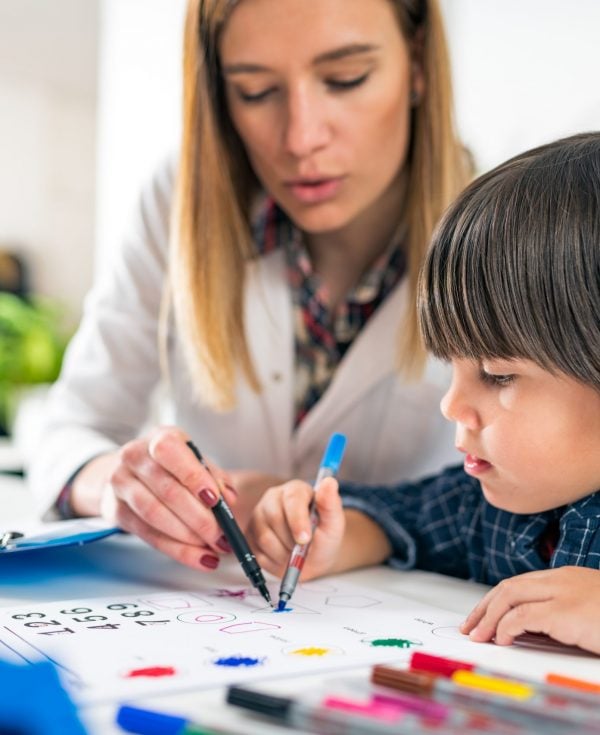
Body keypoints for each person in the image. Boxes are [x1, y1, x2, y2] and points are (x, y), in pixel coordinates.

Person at [29, 0, 470, 570]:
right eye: (256, 91)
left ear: (416, 64)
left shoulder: (519, 232)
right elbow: (67, 431)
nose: (301, 138)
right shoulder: (179, 204)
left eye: (345, 79)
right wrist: (121, 487)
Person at [247, 132, 600, 655]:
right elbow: (405, 519)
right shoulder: (496, 506)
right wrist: (331, 536)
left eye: (498, 375)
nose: (451, 405)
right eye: (450, 367)